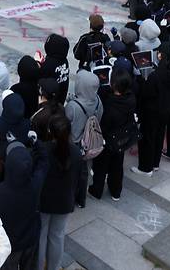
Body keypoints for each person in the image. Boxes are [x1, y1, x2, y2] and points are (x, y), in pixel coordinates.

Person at [0, 135, 49, 270]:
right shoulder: (35, 185)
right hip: (30, 239)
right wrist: (36, 141)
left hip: (9, 244)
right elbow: (44, 161)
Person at [37, 111, 82, 270]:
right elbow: (80, 178)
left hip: (44, 201)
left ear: (50, 132)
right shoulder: (76, 152)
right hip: (64, 201)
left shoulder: (43, 150)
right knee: (57, 236)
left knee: (41, 236)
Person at [131, 42, 170, 176]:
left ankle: (145, 168)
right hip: (167, 110)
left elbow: (147, 94)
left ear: (161, 55)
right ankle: (155, 163)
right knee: (159, 136)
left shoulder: (156, 76)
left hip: (152, 111)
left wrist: (145, 81)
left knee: (148, 139)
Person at [88, 69, 136, 201]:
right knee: (117, 166)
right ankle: (116, 191)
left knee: (100, 167)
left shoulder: (110, 105)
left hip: (108, 140)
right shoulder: (131, 99)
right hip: (122, 139)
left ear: (113, 84)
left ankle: (96, 191)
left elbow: (103, 125)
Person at [65, 70, 103, 208]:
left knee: (72, 174)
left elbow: (66, 122)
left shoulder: (73, 106)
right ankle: (81, 200)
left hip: (74, 144)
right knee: (84, 171)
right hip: (89, 144)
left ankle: (70, 200)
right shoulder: (98, 101)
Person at [39, 33, 70, 105]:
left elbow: (40, 79)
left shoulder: (49, 64)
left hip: (49, 101)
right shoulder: (64, 61)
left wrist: (39, 65)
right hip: (61, 98)